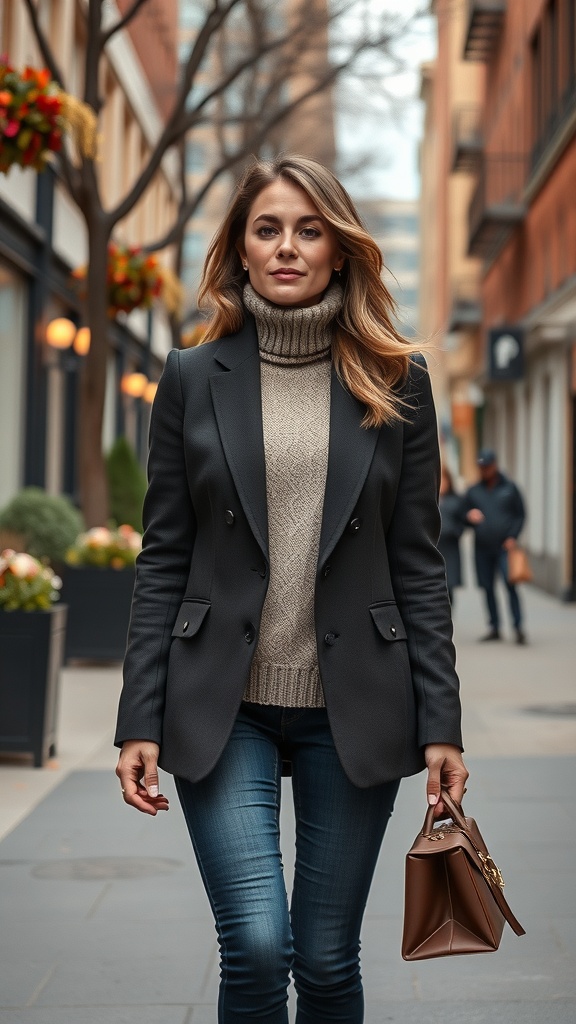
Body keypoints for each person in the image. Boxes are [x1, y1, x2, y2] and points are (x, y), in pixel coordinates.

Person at [114, 155, 468, 1024]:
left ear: (340, 251)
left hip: (355, 702)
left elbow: (419, 562)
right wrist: (138, 716)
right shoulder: (193, 376)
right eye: (267, 228)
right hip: (220, 700)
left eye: (309, 230)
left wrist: (442, 724)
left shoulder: (397, 379)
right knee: (258, 945)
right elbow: (164, 553)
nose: (287, 247)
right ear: (239, 247)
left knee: (325, 957)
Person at [464, 448, 527, 644]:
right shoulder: (473, 491)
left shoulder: (510, 488)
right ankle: (494, 627)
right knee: (487, 588)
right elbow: (462, 515)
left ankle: (518, 627)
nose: (485, 470)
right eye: (481, 467)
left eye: (488, 466)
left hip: (505, 548)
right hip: (482, 548)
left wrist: (513, 536)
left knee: (510, 586)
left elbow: (520, 514)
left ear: (495, 465)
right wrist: (469, 516)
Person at [438, 465, 465, 607]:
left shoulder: (456, 501)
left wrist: (455, 531)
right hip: (434, 547)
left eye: (444, 479)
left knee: (449, 586)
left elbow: (463, 521)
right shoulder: (428, 500)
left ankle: (448, 619)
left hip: (450, 549)